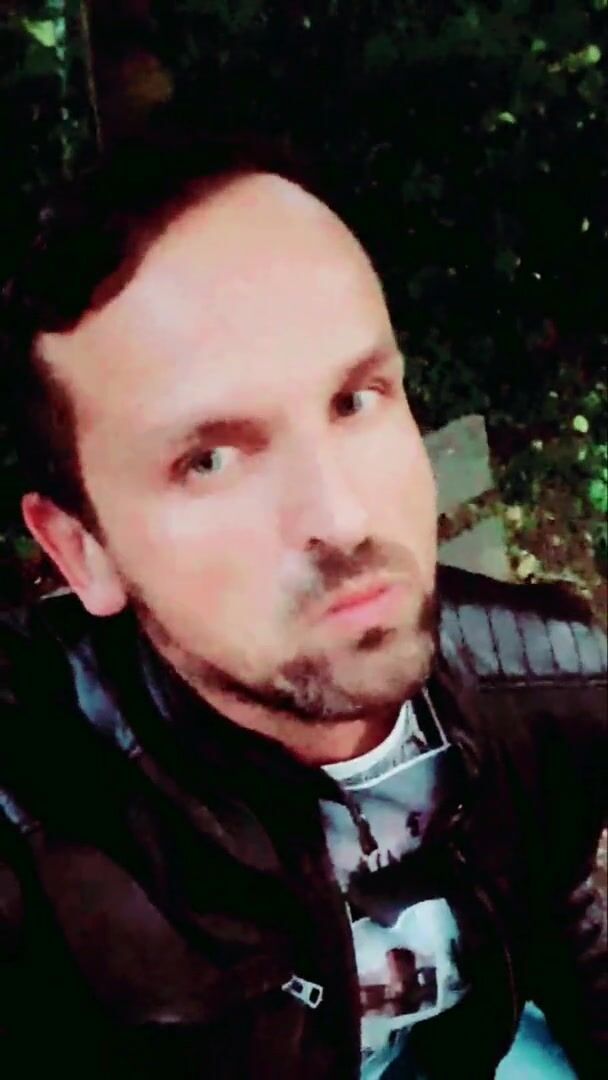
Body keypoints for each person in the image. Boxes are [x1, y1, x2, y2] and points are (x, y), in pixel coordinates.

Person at [0, 134, 606, 1080]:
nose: (342, 516)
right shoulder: (38, 832)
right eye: (209, 460)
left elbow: (555, 901)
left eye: (356, 400)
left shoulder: (554, 692)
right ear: (82, 550)